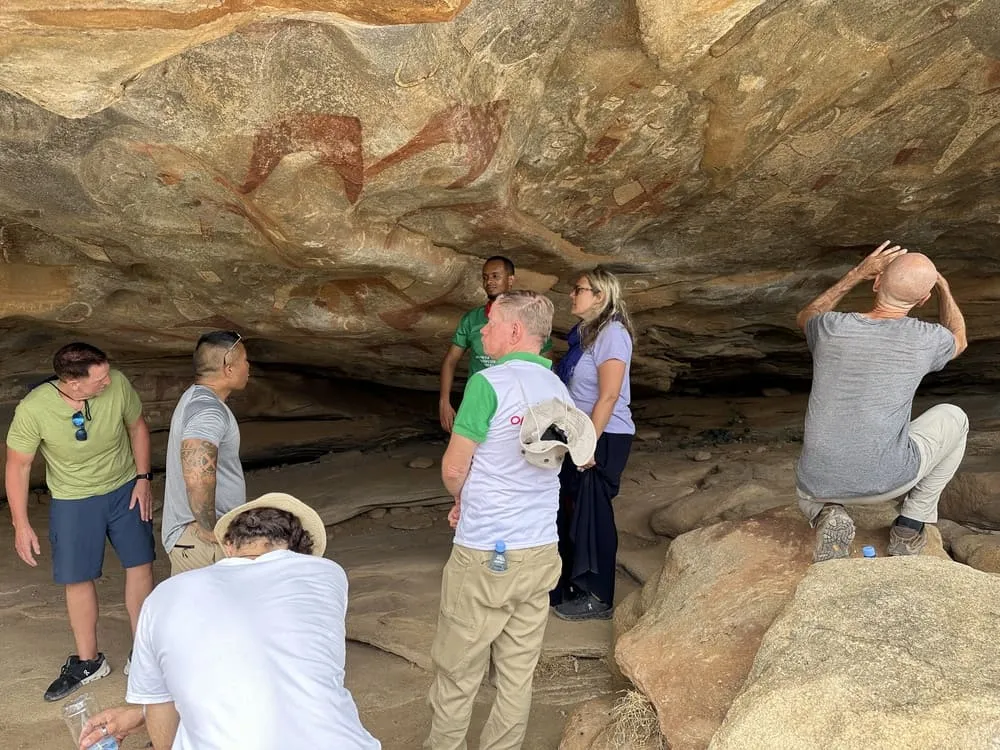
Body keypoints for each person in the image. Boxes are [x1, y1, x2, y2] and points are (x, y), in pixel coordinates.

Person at [426, 291, 595, 750]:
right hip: (539, 549)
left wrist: (460, 501)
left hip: (486, 550)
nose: (482, 331)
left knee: (457, 671)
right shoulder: (558, 388)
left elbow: (453, 468)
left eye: (491, 323)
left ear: (515, 331)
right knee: (517, 675)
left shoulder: (488, 384)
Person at [83, 492, 381, 750]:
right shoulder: (328, 576)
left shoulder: (164, 596)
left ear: (227, 545)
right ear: (300, 549)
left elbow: (164, 721)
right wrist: (140, 715)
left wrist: (145, 714)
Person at [795, 240, 969, 561]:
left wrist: (856, 273)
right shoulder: (926, 339)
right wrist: (944, 289)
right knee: (955, 417)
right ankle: (910, 524)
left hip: (820, 483)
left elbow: (808, 313)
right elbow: (958, 337)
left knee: (807, 488)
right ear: (922, 300)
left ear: (876, 283)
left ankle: (827, 512)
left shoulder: (831, 328)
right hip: (889, 481)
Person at [5, 342, 155, 701]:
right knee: (77, 576)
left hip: (123, 489)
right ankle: (89, 661)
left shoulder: (117, 383)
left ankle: (146, 654)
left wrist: (143, 478)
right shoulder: (35, 408)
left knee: (141, 564)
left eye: (107, 373)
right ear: (73, 383)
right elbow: (18, 465)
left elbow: (136, 427)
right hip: (73, 498)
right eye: (99, 378)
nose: (108, 380)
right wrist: (20, 524)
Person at [550, 268, 636, 621]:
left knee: (594, 514)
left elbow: (609, 395)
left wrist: (588, 444)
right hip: (581, 434)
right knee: (574, 511)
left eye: (579, 289)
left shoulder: (612, 334)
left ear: (600, 295)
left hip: (604, 436)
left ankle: (598, 596)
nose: (572, 295)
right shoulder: (586, 335)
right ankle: (573, 584)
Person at [162, 331, 249, 575]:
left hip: (194, 540)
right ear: (228, 368)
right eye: (245, 361)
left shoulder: (194, 399)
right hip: (202, 543)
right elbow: (197, 475)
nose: (248, 367)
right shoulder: (208, 412)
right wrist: (210, 528)